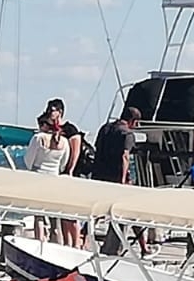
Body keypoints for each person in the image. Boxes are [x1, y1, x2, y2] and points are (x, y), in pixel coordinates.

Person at [90, 107, 140, 254]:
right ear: (133, 121)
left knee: (95, 212)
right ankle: (112, 248)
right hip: (115, 177)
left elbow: (97, 148)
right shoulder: (127, 134)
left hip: (99, 175)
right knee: (123, 212)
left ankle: (83, 237)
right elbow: (125, 156)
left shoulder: (104, 128)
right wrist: (123, 180)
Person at [45, 99, 85, 248]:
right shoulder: (50, 129)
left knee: (71, 214)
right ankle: (67, 243)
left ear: (60, 112)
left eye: (52, 110)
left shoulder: (70, 129)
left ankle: (76, 243)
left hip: (70, 173)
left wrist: (70, 170)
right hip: (58, 173)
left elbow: (76, 151)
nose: (50, 112)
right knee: (62, 213)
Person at [24, 113, 68, 243]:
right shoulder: (64, 141)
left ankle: (40, 242)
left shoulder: (38, 138)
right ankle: (56, 242)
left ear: (44, 124)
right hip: (54, 178)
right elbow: (63, 164)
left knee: (39, 216)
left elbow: (28, 160)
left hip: (39, 177)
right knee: (55, 217)